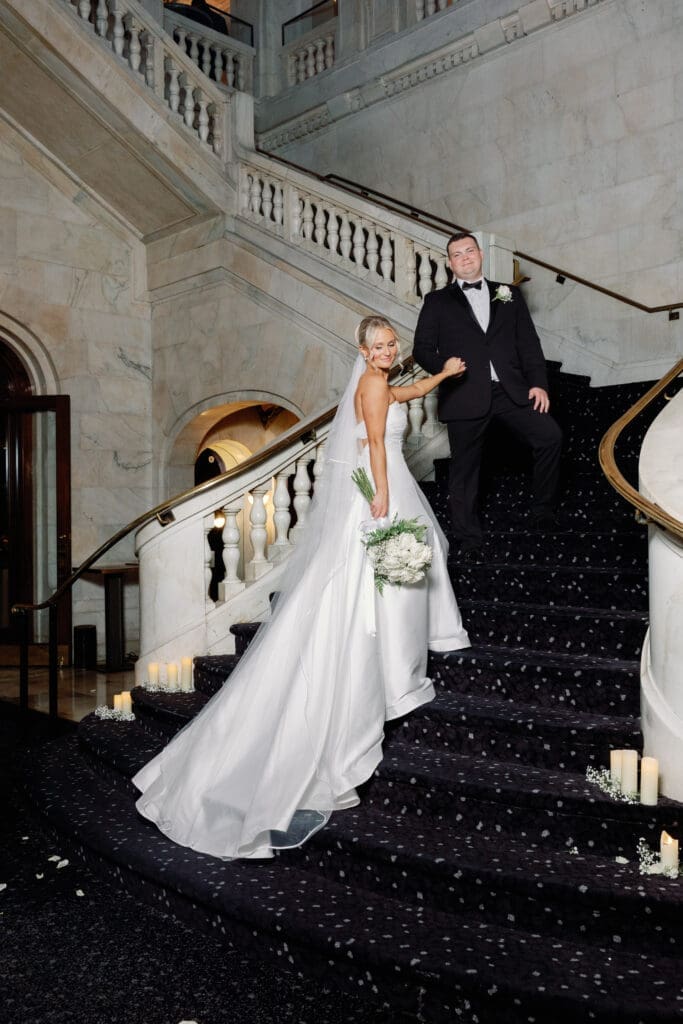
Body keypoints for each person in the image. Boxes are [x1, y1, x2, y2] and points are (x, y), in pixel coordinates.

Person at [133, 316, 470, 860]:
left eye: (391, 344)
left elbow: (400, 393)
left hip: (376, 485)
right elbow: (381, 446)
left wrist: (441, 377)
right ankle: (393, 669)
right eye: (377, 346)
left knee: (395, 571)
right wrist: (383, 496)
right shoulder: (373, 382)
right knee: (390, 574)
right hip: (382, 487)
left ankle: (398, 652)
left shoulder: (379, 381)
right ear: (361, 350)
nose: (386, 351)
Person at [413, 232, 562, 560]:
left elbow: (529, 344)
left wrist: (538, 383)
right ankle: (468, 537)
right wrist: (443, 365)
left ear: (480, 254)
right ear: (450, 263)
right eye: (457, 254)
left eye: (469, 251)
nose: (464, 257)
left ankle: (543, 511)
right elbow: (421, 349)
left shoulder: (508, 294)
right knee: (465, 471)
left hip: (510, 390)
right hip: (465, 393)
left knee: (550, 436)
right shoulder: (437, 301)